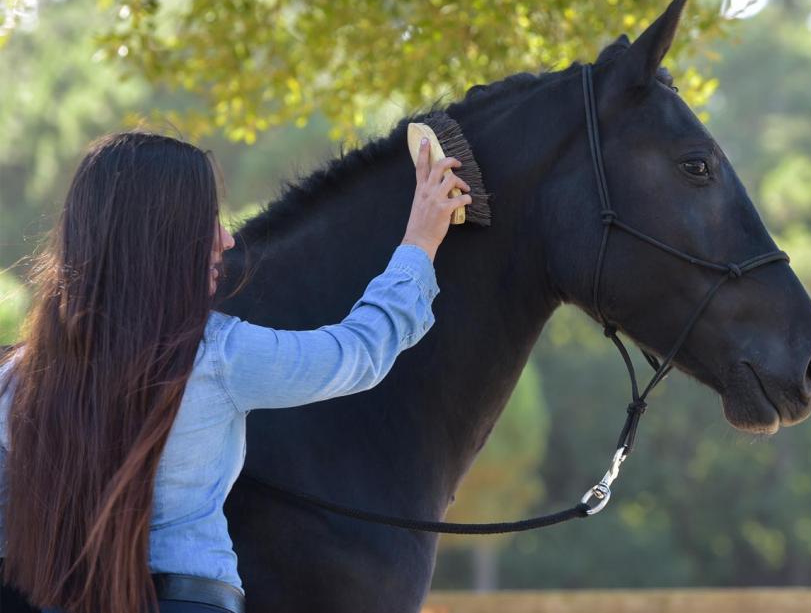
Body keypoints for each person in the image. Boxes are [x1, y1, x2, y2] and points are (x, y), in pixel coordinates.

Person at [0, 130, 472, 613]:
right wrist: (420, 240)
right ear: (157, 235)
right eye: (206, 221)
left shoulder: (19, 378)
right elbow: (357, 351)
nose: (226, 240)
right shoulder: (215, 355)